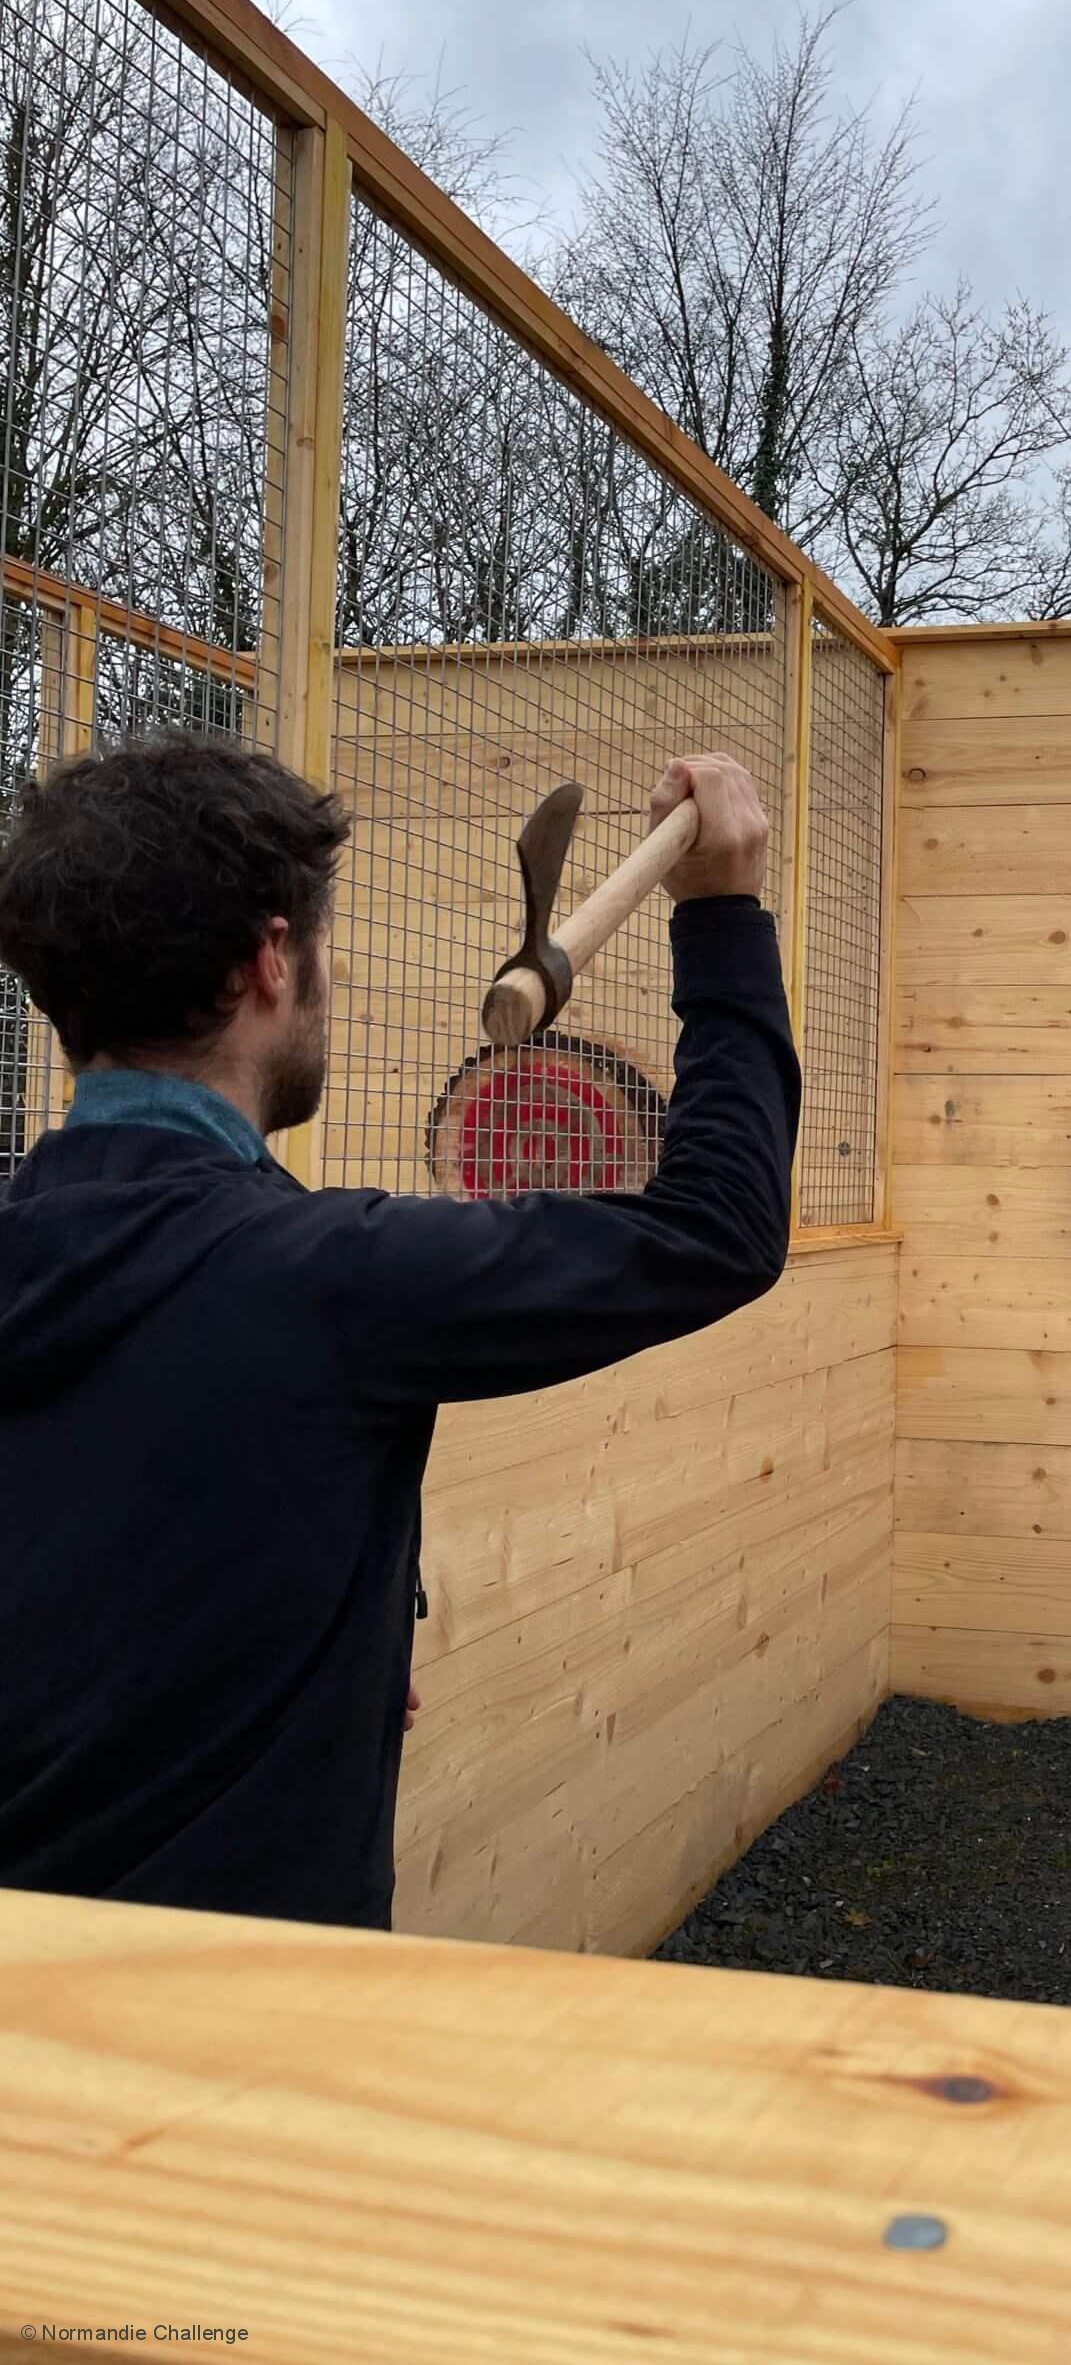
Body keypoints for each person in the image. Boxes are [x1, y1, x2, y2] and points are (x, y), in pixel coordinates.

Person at [0, 734, 798, 1931]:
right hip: (230, 2036)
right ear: (271, 960)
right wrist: (724, 916)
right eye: (321, 946)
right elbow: (715, 1228)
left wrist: (310, 1618)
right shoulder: (330, 1283)